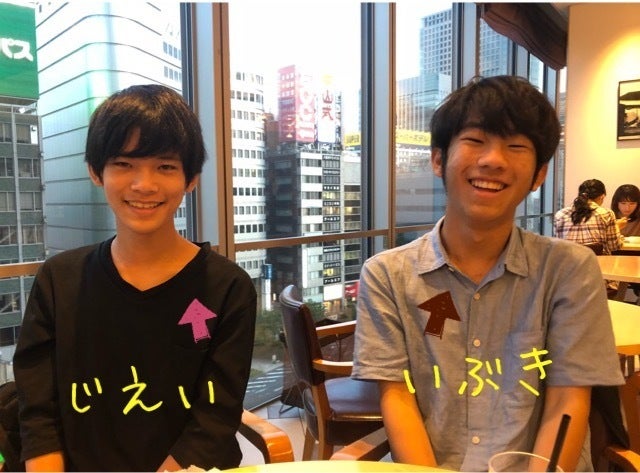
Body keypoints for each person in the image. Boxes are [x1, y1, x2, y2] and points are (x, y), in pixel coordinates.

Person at [351, 76, 623, 471]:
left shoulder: (569, 269)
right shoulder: (387, 275)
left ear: (539, 174)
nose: (494, 159)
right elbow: (398, 396)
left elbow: (568, 398)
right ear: (438, 159)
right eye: (475, 140)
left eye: (516, 146)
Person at [13, 84, 257, 471]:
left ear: (191, 178)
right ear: (96, 172)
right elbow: (38, 410)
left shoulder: (227, 287)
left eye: (165, 166)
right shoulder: (59, 280)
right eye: (124, 164)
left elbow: (215, 416)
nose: (144, 184)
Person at [554, 179, 625, 254]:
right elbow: (614, 246)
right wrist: (617, 228)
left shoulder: (560, 214)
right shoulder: (607, 214)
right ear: (602, 197)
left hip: (569, 261)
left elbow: (558, 247)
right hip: (597, 261)